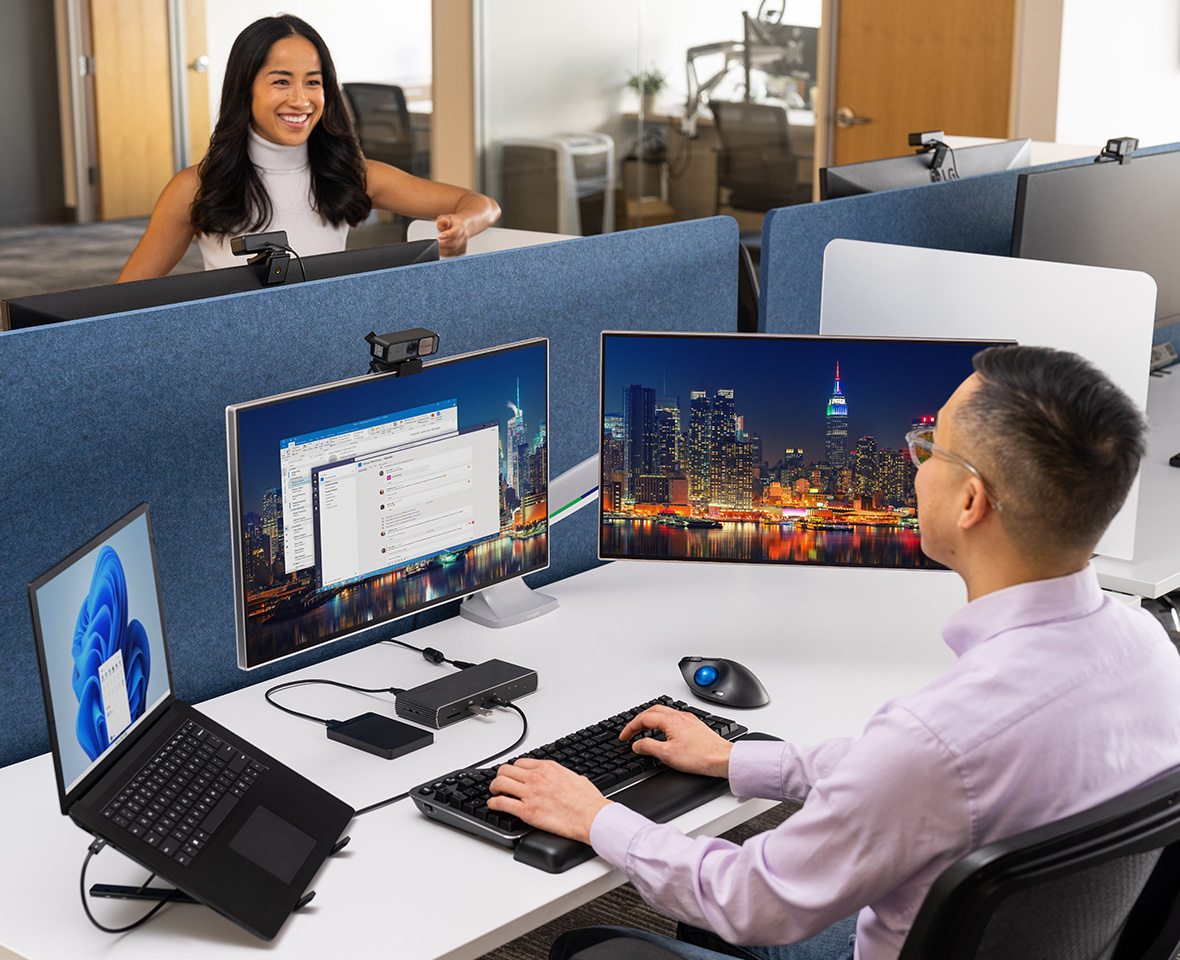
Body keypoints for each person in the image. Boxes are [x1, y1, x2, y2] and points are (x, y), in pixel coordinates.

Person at [488, 345, 1180, 960]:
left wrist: (596, 815)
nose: (914, 464)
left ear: (970, 500)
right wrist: (736, 759)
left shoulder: (936, 739)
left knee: (592, 947)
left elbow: (752, 900)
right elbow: (935, 784)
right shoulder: (1151, 648)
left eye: (927, 446)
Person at [118, 15, 499, 282]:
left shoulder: (356, 175)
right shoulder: (196, 186)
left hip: (327, 351)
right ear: (245, 89)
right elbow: (122, 300)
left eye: (312, 82)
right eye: (281, 82)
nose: (300, 100)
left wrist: (463, 224)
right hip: (236, 360)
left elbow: (482, 204)